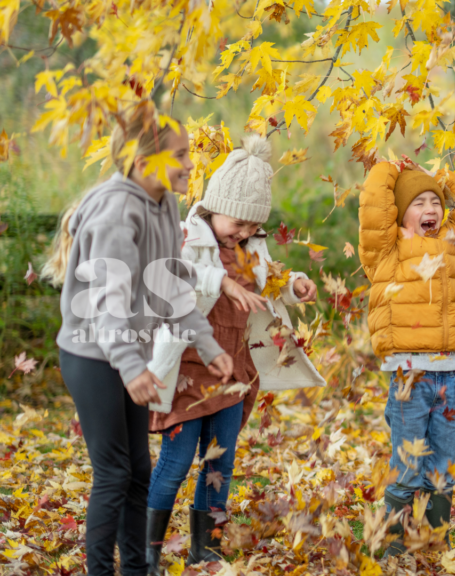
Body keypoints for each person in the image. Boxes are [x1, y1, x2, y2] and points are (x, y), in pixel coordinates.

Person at [44, 107, 233, 576]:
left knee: (139, 474)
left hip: (126, 353)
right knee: (113, 474)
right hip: (92, 353)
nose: (191, 164)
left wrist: (208, 347)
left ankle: (136, 570)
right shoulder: (116, 211)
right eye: (181, 154)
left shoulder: (164, 204)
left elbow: (169, 285)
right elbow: (108, 306)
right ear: (143, 160)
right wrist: (131, 367)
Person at [143, 135, 324, 574]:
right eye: (237, 222)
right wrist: (218, 282)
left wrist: (295, 283)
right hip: (189, 370)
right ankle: (145, 548)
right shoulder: (187, 237)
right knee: (177, 461)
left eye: (250, 225)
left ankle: (207, 547)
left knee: (220, 460)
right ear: (213, 206)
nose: (242, 232)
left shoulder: (252, 246)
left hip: (233, 370)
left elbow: (270, 278)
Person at [358, 159, 455, 556]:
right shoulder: (388, 253)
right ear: (400, 215)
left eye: (435, 201)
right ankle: (391, 543)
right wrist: (388, 169)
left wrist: (445, 176)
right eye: (418, 203)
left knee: (442, 465)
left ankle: (435, 541)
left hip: (454, 375)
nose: (430, 208)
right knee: (408, 465)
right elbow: (373, 211)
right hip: (410, 376)